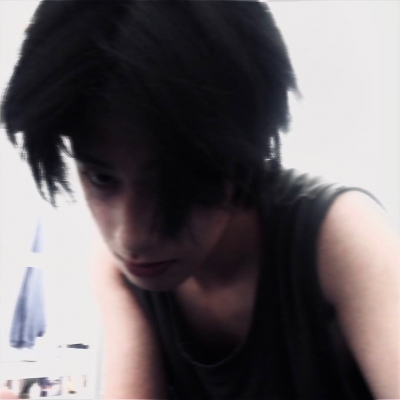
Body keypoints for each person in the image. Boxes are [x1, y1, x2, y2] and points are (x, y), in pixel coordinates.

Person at [1, 1, 399, 399]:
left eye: (172, 183)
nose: (131, 236)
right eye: (102, 178)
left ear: (241, 159)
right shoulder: (118, 267)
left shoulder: (339, 236)